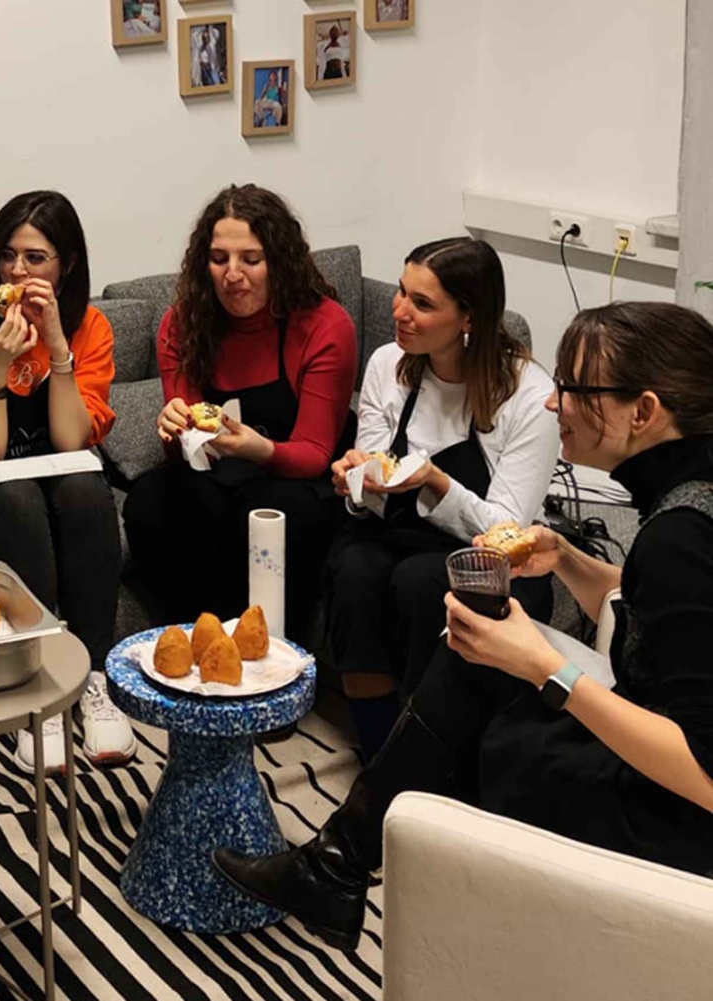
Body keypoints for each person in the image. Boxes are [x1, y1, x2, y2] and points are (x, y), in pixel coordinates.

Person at [214, 300, 713, 949]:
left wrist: (545, 666)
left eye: (573, 390)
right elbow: (654, 614)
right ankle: (337, 864)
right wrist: (567, 558)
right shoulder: (689, 499)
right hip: (657, 757)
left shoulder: (681, 538)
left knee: (494, 742)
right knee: (471, 654)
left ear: (643, 411)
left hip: (670, 821)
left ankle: (401, 894)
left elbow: (704, 774)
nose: (552, 403)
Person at [0, 190, 136, 775]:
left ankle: (93, 676)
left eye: (36, 258)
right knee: (16, 496)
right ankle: (39, 691)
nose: (18, 271)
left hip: (56, 469)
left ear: (66, 265)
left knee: (87, 487)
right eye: (7, 256)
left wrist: (59, 346)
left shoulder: (90, 327)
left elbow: (71, 443)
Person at [322, 238, 558, 761]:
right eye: (402, 292)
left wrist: (436, 482)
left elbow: (504, 535)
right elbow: (373, 477)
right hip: (395, 532)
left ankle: (428, 752)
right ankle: (380, 755)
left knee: (418, 582)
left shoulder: (528, 396)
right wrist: (355, 482)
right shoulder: (388, 364)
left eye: (422, 304)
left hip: (490, 559)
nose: (399, 311)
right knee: (355, 571)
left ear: (469, 317)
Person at [123, 184, 357, 643]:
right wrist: (176, 430)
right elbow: (188, 453)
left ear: (280, 261)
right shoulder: (183, 323)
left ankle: (265, 651)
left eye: (251, 259)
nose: (233, 274)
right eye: (219, 259)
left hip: (300, 476)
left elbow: (314, 452)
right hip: (220, 472)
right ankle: (194, 639)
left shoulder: (325, 325)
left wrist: (258, 448)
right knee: (151, 501)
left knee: (261, 514)